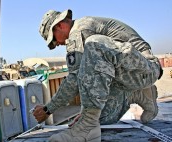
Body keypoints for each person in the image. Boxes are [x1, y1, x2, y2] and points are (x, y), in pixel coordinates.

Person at [33, 9, 163, 142]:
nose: (56, 44)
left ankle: (87, 126)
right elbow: (89, 76)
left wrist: (48, 109)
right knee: (101, 119)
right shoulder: (82, 29)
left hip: (145, 69)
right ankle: (139, 93)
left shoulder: (79, 31)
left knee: (94, 44)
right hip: (133, 73)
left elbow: (74, 80)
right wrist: (86, 113)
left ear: (60, 25)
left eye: (53, 39)